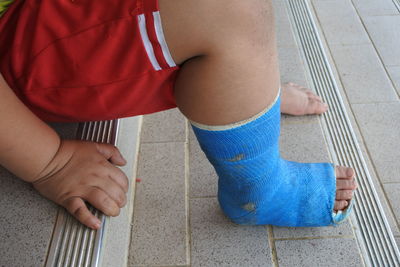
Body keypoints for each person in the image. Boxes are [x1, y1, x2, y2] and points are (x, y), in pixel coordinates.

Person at [0, 0, 357, 229]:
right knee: (230, 11)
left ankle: (244, 83)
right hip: (18, 50)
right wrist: (50, 162)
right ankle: (260, 189)